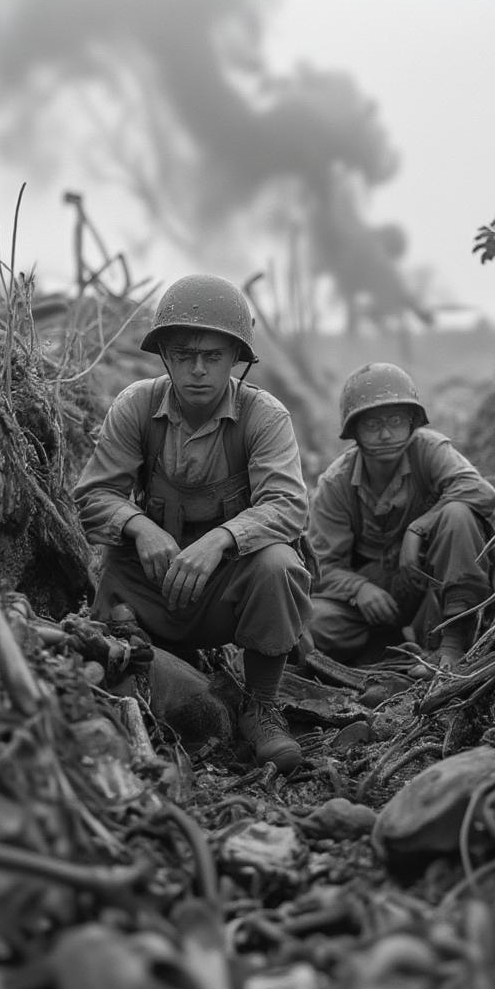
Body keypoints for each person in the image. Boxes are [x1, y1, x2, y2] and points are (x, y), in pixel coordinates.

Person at [74, 274, 312, 773]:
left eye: (213, 356)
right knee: (115, 585)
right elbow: (93, 496)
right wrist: (142, 527)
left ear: (235, 360)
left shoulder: (264, 416)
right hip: (152, 585)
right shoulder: (136, 405)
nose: (198, 369)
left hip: (225, 589)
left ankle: (262, 706)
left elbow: (289, 505)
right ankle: (135, 687)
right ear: (165, 356)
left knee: (278, 563)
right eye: (184, 355)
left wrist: (222, 539)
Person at [307, 362, 495, 672]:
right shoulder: (335, 483)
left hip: (430, 583)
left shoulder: (429, 450)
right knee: (309, 624)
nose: (384, 434)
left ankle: (452, 646)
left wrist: (419, 528)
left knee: (458, 513)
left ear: (412, 423)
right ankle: (382, 654)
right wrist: (359, 591)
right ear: (354, 431)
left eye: (395, 421)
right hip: (372, 600)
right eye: (372, 425)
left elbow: (480, 491)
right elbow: (322, 566)